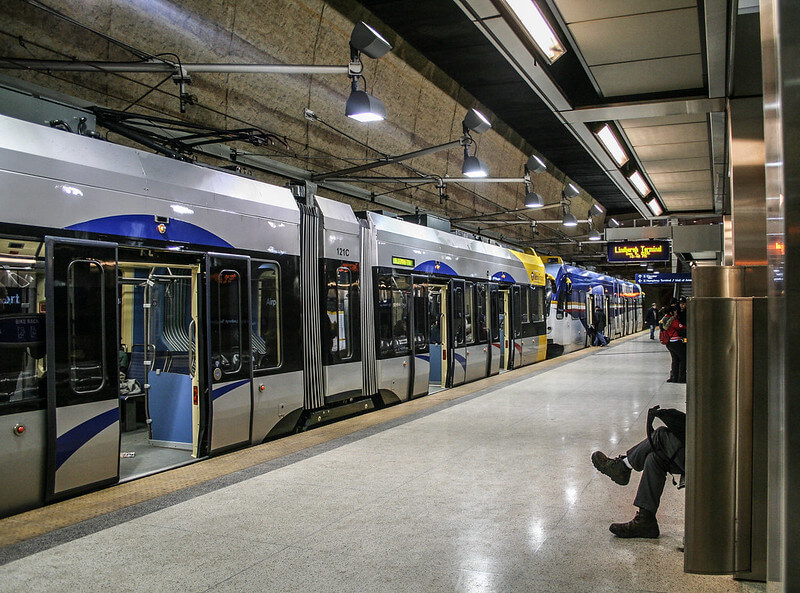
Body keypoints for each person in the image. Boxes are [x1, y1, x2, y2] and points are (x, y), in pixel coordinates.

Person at [591, 407, 685, 538]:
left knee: (661, 435)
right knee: (654, 458)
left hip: (712, 459)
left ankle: (623, 466)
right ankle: (645, 520)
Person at [660, 306, 686, 383]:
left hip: (669, 343)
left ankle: (674, 377)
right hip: (675, 342)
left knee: (675, 360)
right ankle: (681, 377)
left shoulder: (664, 319)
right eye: (675, 311)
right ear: (671, 312)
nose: (676, 313)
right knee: (683, 359)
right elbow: (681, 327)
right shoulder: (672, 320)